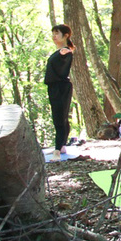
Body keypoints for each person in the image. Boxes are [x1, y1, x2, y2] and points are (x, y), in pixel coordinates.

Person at [44, 24, 74, 162]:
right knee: (60, 117)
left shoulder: (65, 51)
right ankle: (61, 146)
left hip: (61, 87)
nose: (54, 36)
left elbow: (64, 60)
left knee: (59, 118)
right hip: (54, 87)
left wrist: (64, 53)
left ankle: (57, 151)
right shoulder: (59, 51)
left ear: (66, 35)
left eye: (57, 33)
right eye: (53, 33)